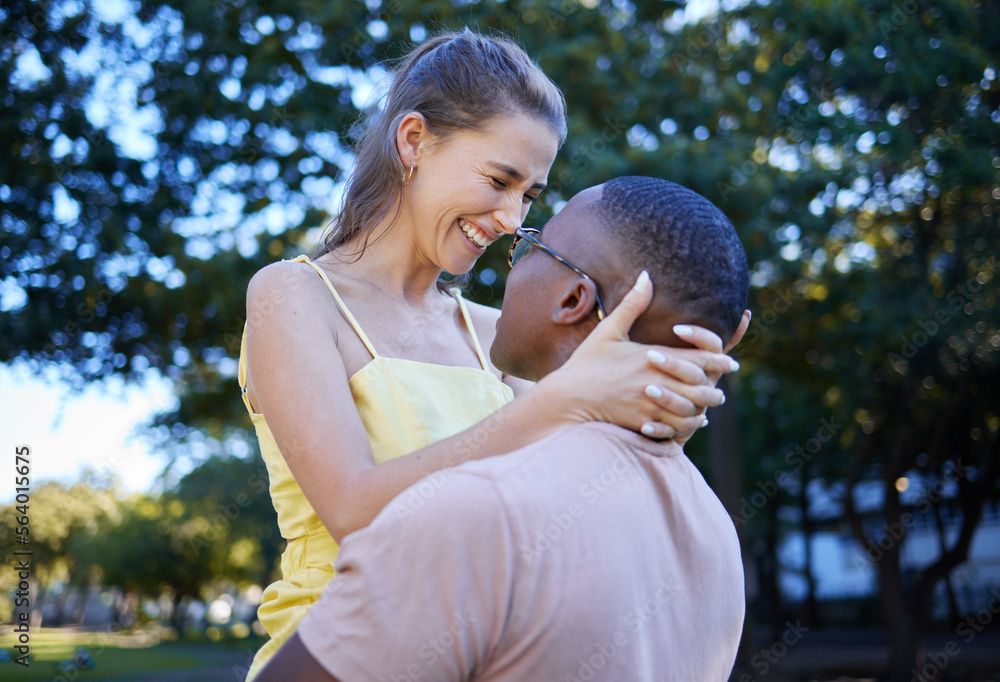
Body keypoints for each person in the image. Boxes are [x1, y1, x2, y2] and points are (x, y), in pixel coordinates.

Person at [238, 29, 740, 680]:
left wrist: (663, 394)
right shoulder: (294, 295)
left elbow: (557, 512)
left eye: (529, 195)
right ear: (414, 140)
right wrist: (571, 399)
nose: (511, 218)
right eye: (499, 180)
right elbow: (354, 511)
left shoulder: (496, 333)